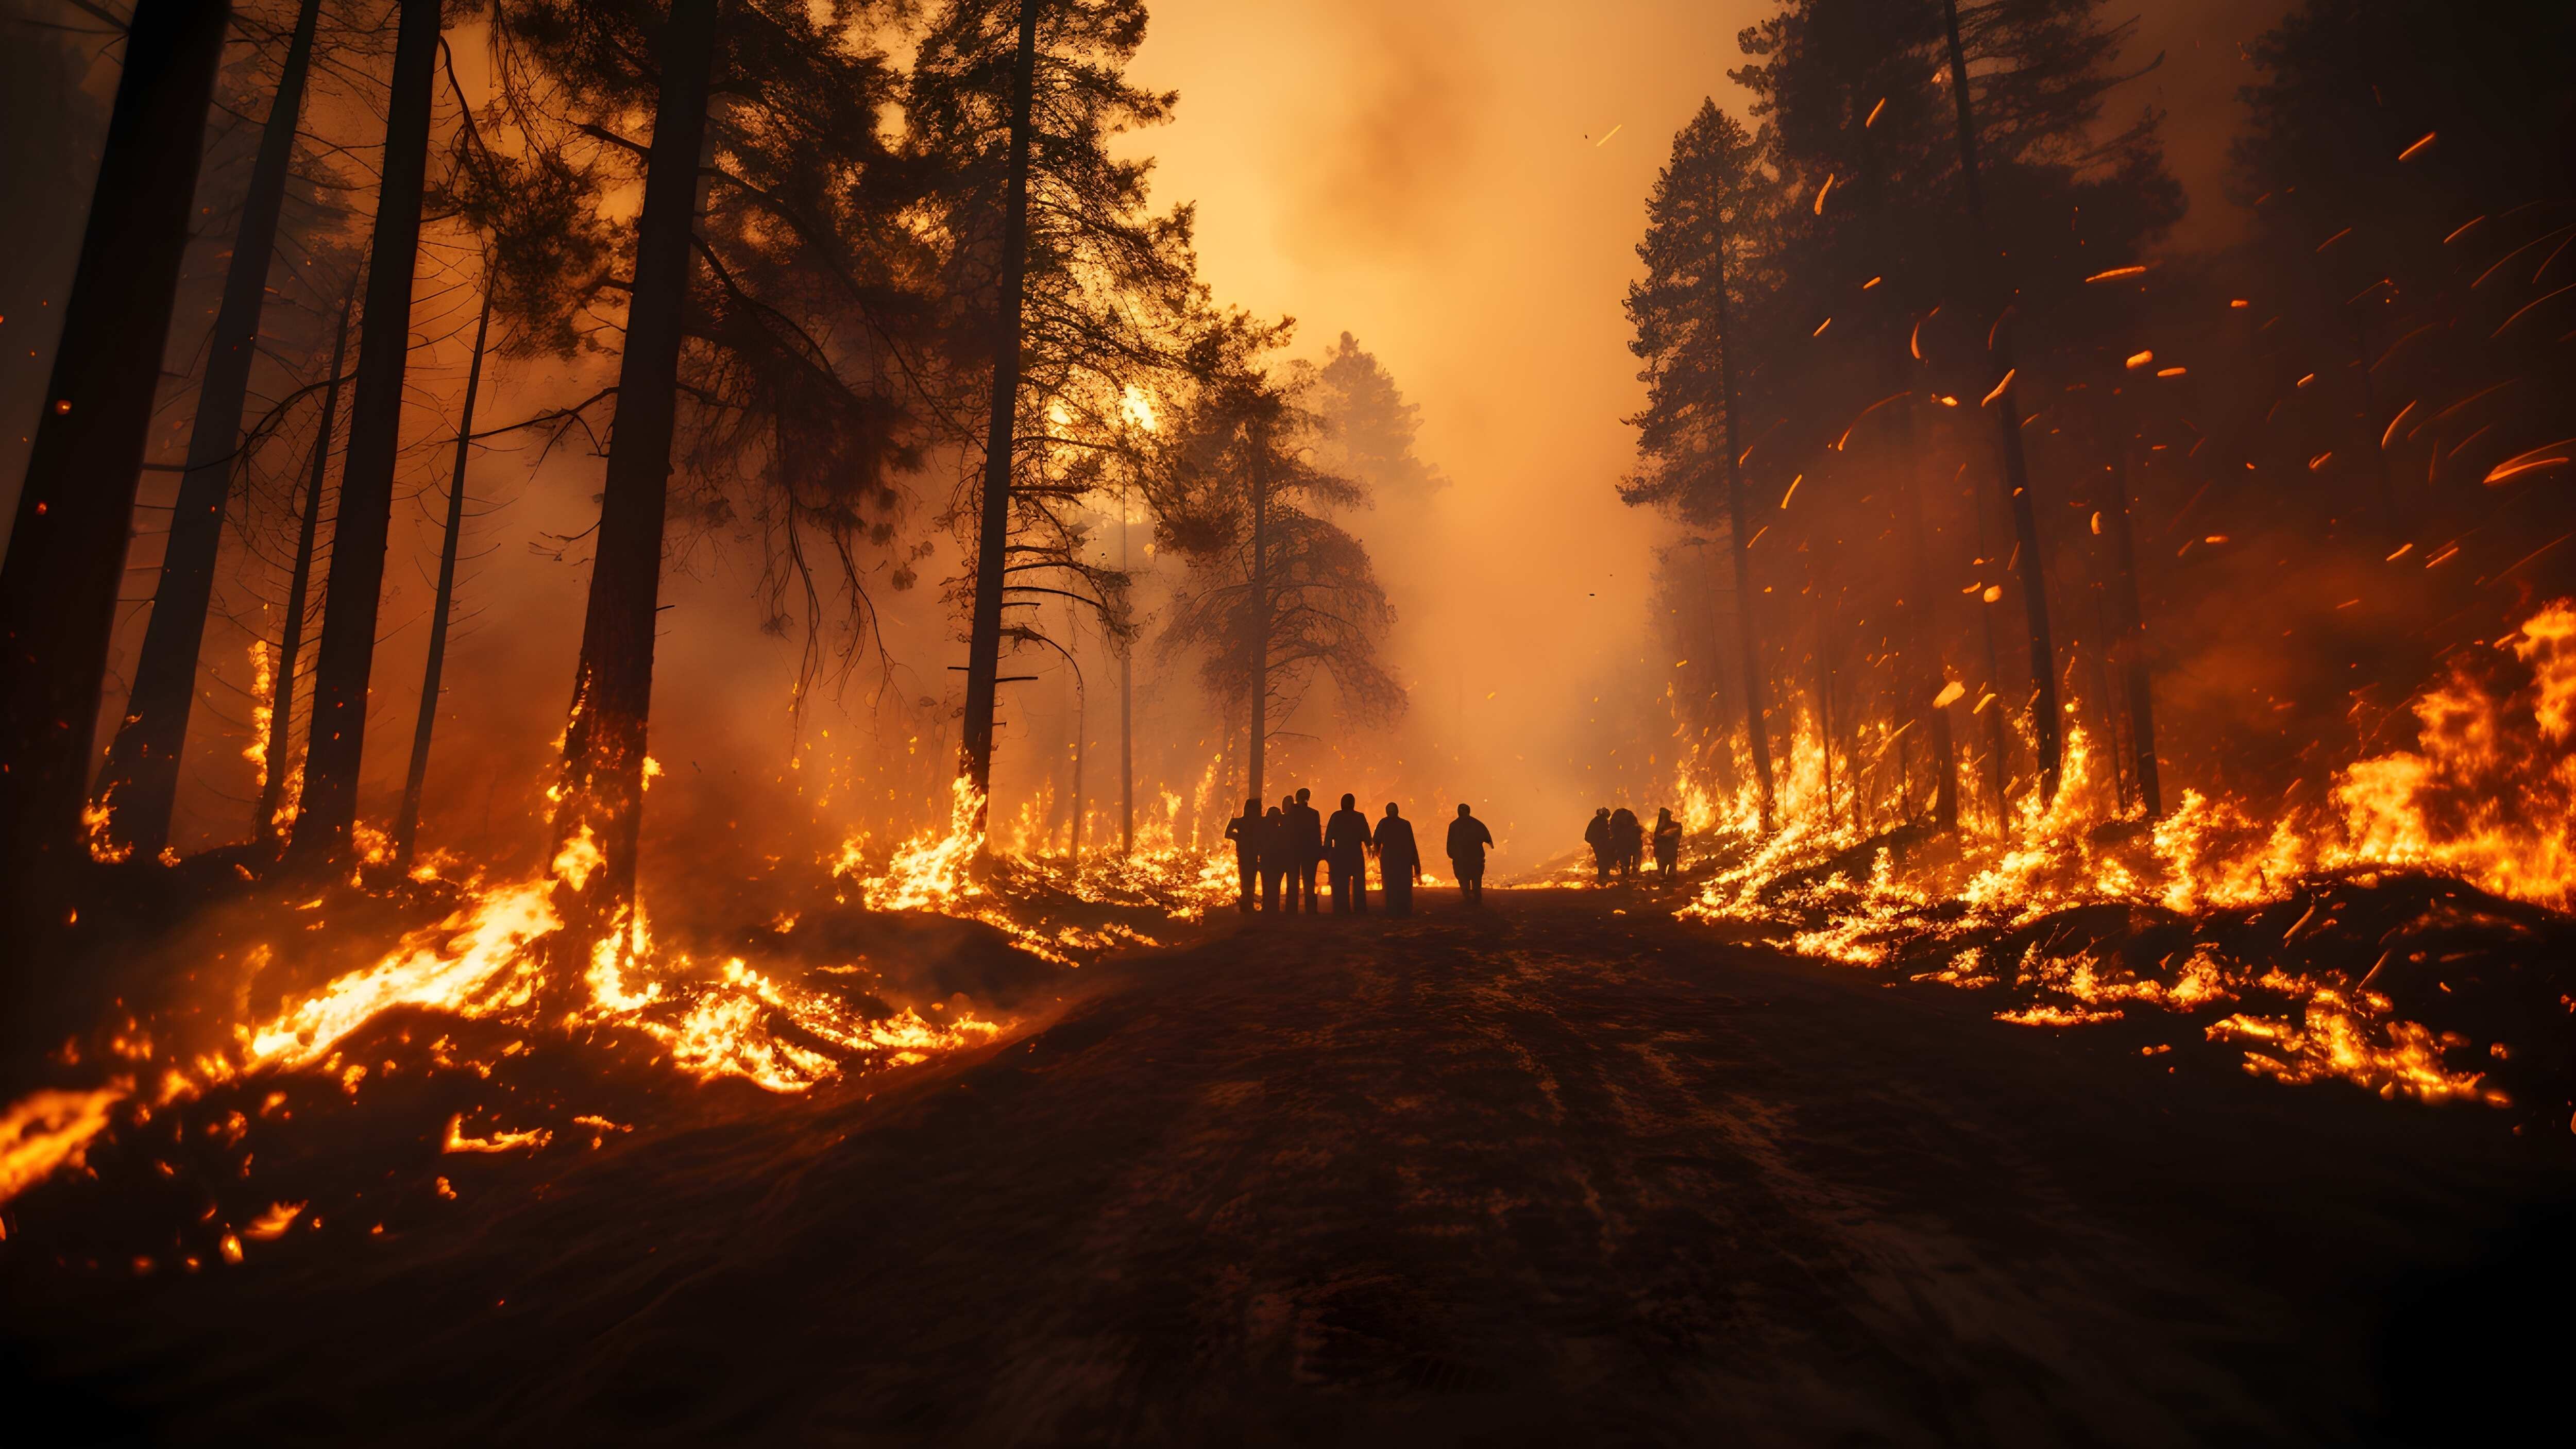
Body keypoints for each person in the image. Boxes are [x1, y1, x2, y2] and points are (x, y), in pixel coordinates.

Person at [1325, 791, 1372, 914]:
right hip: (1356, 854)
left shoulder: (1336, 817)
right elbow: (1368, 838)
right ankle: (1360, 909)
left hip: (1340, 855)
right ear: (1353, 804)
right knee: (1359, 885)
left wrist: (1327, 853)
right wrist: (1370, 849)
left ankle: (1342, 909)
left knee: (1341, 884)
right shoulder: (1360, 817)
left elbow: (1328, 838)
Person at [1373, 803, 1420, 917]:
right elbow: (1412, 845)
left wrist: (1378, 853)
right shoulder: (1405, 824)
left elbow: (1376, 840)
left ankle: (1392, 910)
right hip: (1404, 859)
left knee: (1390, 886)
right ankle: (1406, 910)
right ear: (1398, 811)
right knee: (1404, 885)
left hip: (1389, 859)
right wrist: (1417, 867)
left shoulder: (1383, 823)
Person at [1446, 803, 1494, 905]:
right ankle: (1477, 900)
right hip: (1476, 860)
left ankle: (1468, 899)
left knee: (1464, 881)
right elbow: (1489, 840)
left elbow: (1450, 844)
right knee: (1476, 880)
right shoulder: (1478, 824)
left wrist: (1453, 855)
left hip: (1461, 860)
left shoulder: (1454, 825)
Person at [1223, 796, 1261, 914]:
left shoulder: (1257, 823)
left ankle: (1248, 904)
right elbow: (1227, 833)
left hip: (1253, 855)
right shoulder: (1239, 822)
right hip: (1244, 856)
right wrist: (1238, 838)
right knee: (1245, 881)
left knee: (1250, 881)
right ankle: (1246, 905)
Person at [1290, 788, 1324, 912]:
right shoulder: (1314, 814)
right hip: (1309, 852)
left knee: (1293, 881)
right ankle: (1311, 909)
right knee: (1309, 882)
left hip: (1294, 851)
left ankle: (1292, 909)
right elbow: (1317, 834)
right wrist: (1319, 852)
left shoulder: (1291, 813)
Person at [1257, 804, 1290, 913]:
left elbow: (1259, 846)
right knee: (1275, 886)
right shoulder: (1283, 831)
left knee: (1267, 886)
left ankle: (1267, 908)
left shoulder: (1262, 832)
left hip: (1267, 862)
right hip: (1278, 863)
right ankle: (1274, 908)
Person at [1609, 806, 1642, 881]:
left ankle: (1627, 876)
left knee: (1625, 863)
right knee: (1631, 861)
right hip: (1630, 844)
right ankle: (1633, 874)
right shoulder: (1631, 820)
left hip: (1624, 845)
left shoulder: (1616, 820)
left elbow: (1613, 833)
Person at [1652, 807, 1682, 881]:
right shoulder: (1659, 829)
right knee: (1662, 876)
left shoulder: (1676, 826)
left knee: (1671, 877)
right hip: (1663, 855)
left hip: (1670, 854)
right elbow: (1657, 841)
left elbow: (1677, 838)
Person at [1583, 807, 1612, 884]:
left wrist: (1594, 843)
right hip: (1602, 844)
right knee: (1605, 860)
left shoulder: (1594, 821)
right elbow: (1606, 834)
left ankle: (1602, 877)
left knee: (1601, 860)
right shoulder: (1603, 822)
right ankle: (1604, 877)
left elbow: (1587, 836)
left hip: (1597, 844)